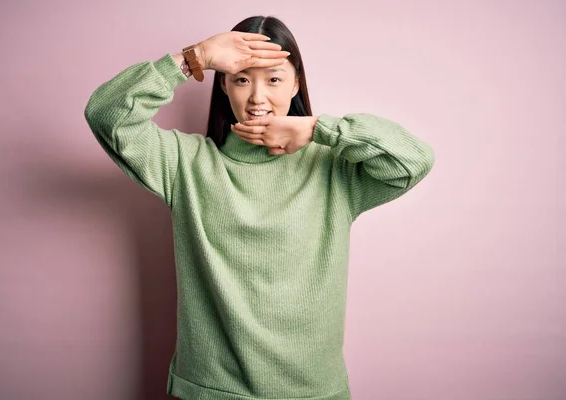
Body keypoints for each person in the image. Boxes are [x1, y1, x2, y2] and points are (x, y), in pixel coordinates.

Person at [84, 15, 435, 400]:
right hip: (210, 389)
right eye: (241, 78)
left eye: (273, 79)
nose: (257, 97)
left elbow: (412, 161)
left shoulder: (332, 167)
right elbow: (107, 114)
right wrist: (193, 57)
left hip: (312, 390)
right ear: (223, 84)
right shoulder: (185, 164)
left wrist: (321, 129)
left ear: (296, 83)